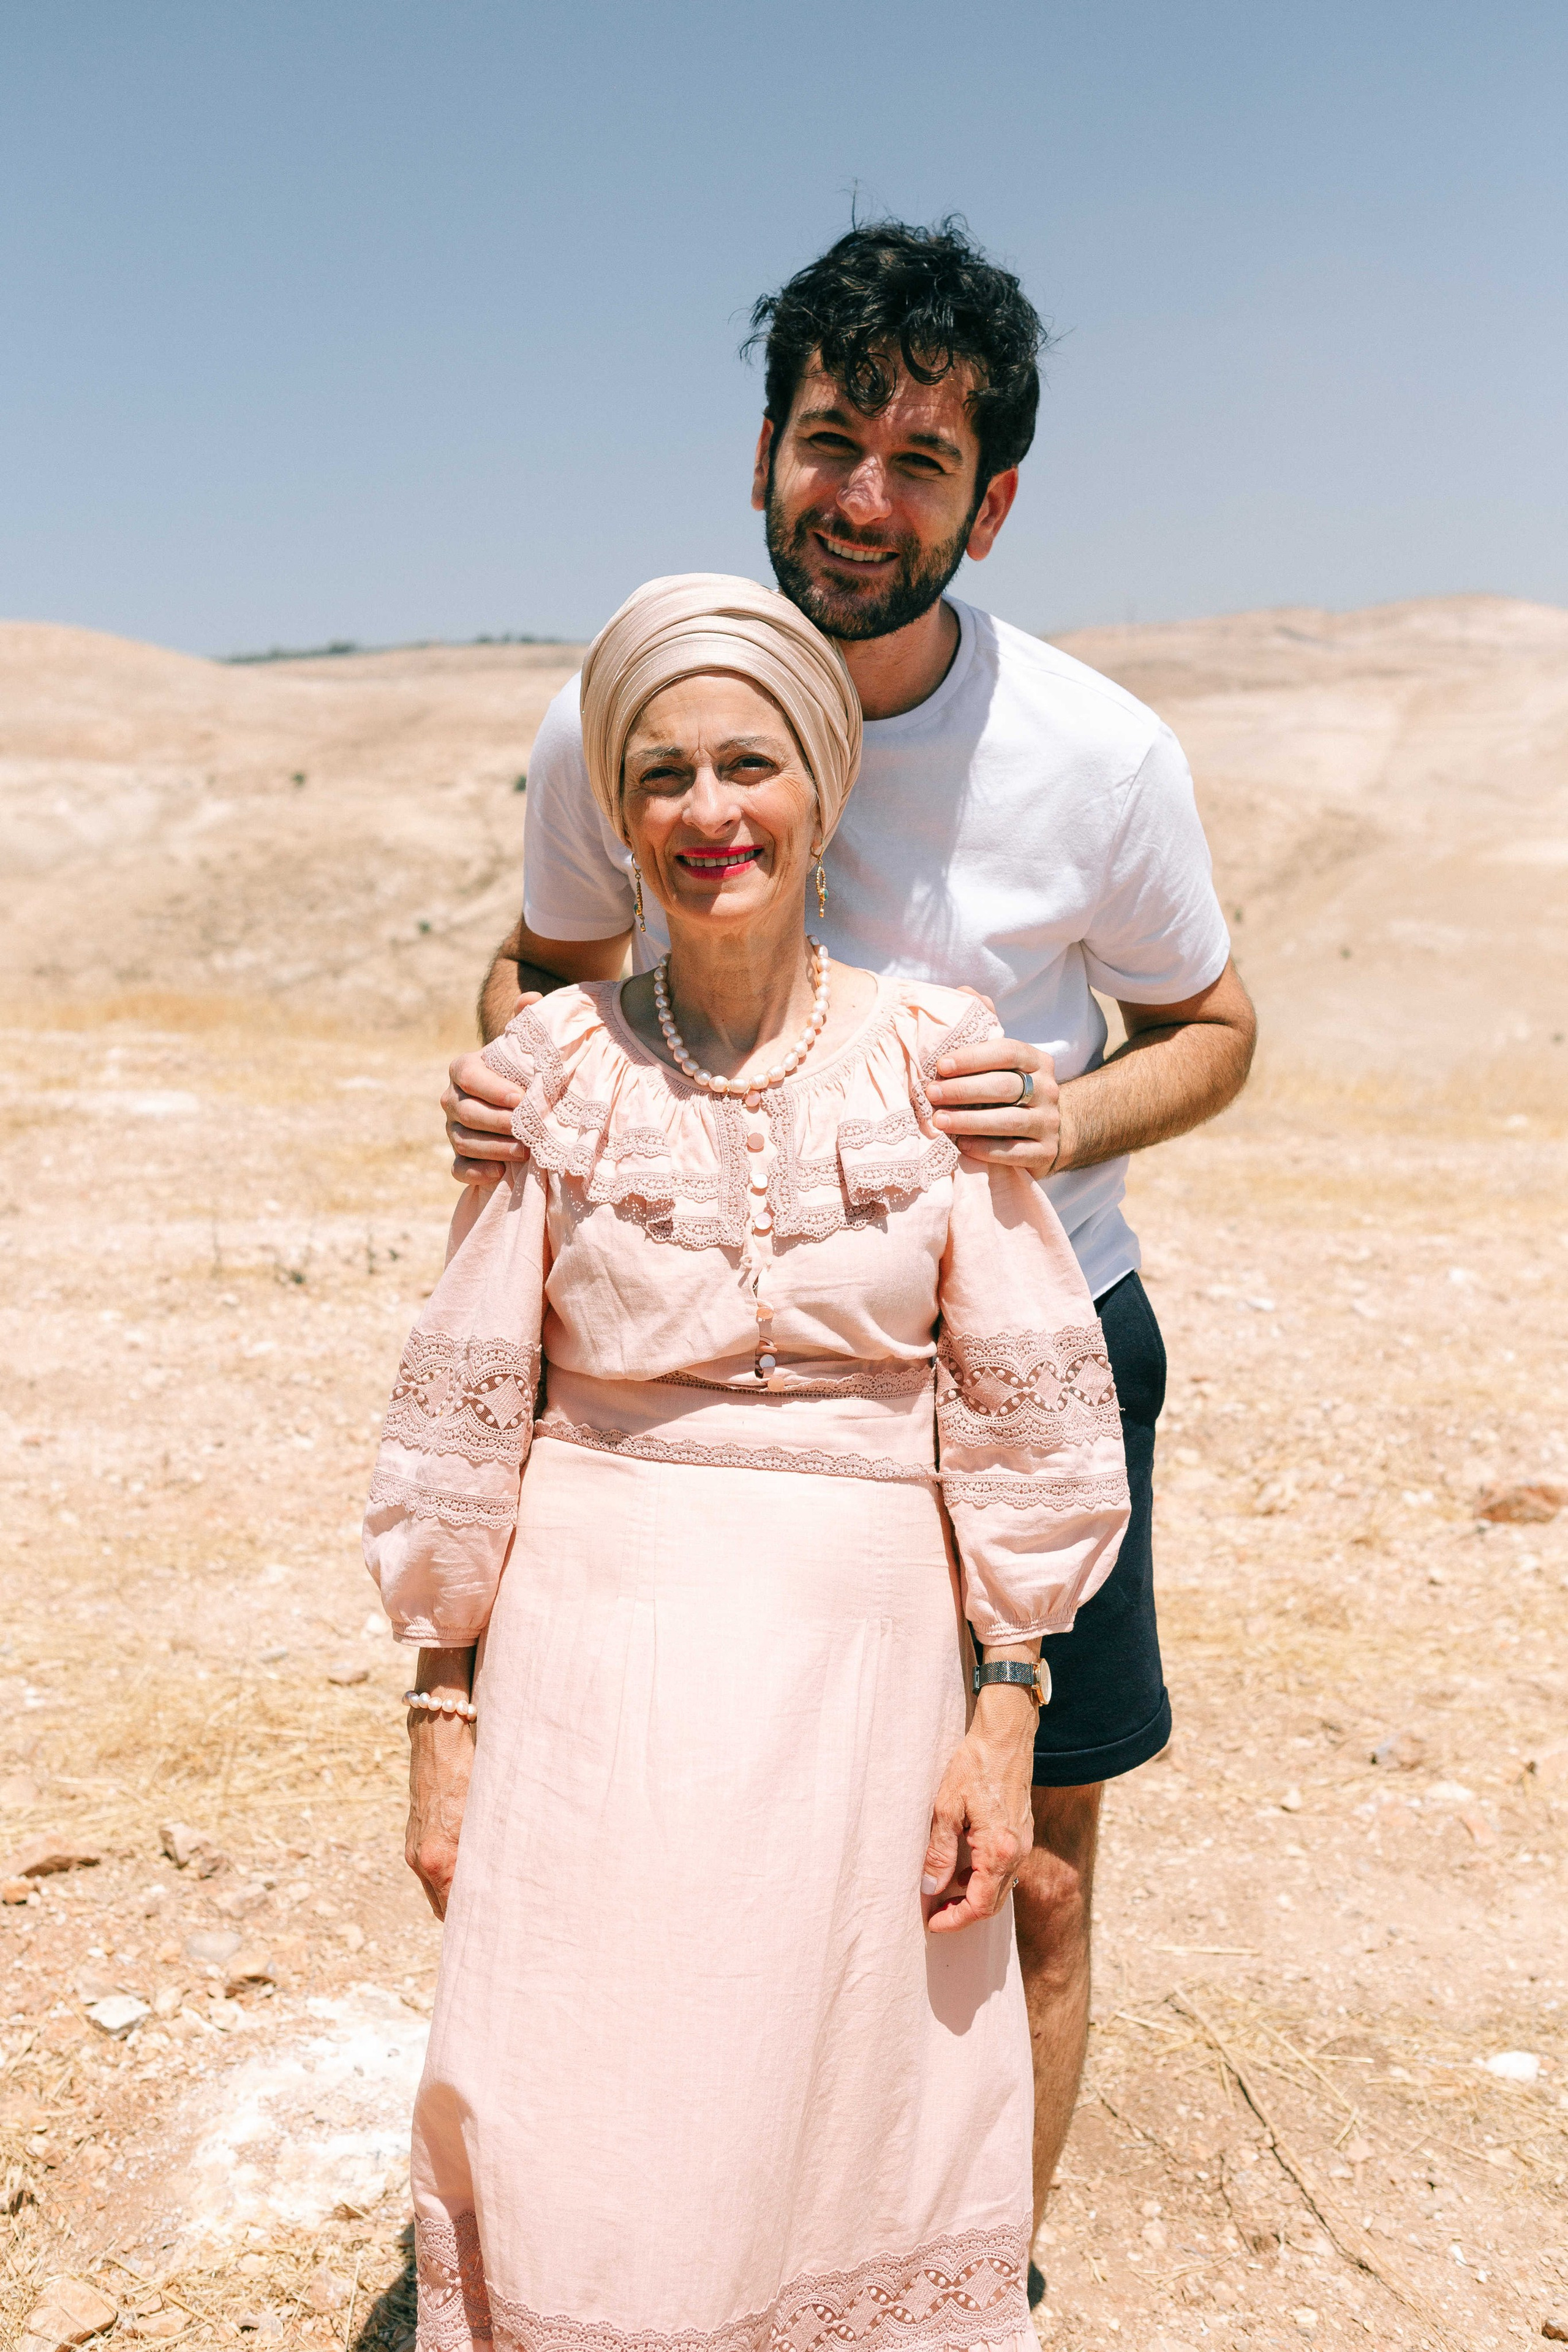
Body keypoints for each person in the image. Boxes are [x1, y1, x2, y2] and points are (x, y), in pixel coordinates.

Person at [440, 222, 1257, 2285]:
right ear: (761, 458)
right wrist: (511, 1095)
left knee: (1019, 1887)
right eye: (829, 440)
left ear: (993, 499)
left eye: (918, 457)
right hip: (709, 1410)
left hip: (1030, 1352)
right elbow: (535, 981)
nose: (862, 495)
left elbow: (1220, 1028)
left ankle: (967, 2289)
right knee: (698, 1878)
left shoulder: (1098, 753)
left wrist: (1065, 1119)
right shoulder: (625, 713)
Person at [368, 573, 1130, 2350]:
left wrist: (1003, 1712)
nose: (711, 813)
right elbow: (473, 1412)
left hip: (864, 1689)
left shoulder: (941, 1062)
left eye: (749, 765)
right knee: (592, 2110)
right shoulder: (547, 1072)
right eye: (662, 776)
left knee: (844, 2106)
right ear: (620, 822)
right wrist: (439, 1724)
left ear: (822, 787)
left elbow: (1016, 1422)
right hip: (591, 1686)